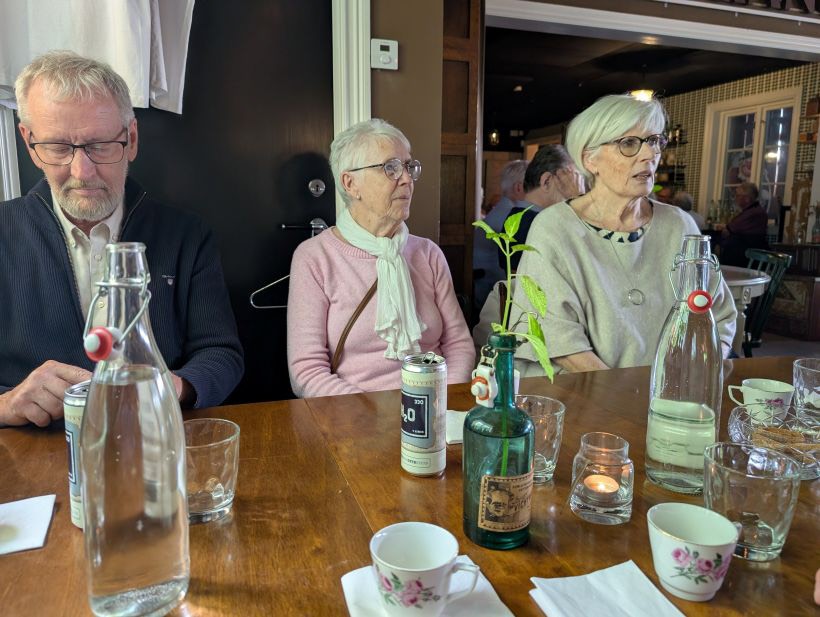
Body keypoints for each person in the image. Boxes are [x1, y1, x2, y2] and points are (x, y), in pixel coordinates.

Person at [0, 51, 244, 427]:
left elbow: (221, 353)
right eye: (59, 148)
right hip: (33, 446)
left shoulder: (187, 236)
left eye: (100, 146)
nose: (82, 172)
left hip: (153, 434)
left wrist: (173, 387)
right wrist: (7, 405)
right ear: (29, 142)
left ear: (130, 139)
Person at [510, 94, 736, 376]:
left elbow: (718, 315)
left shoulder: (679, 225)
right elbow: (557, 336)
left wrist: (696, 375)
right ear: (589, 159)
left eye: (654, 140)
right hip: (586, 390)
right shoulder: (554, 227)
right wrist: (627, 394)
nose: (649, 154)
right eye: (629, 143)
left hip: (674, 392)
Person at [287, 118, 474, 397]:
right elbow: (307, 371)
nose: (407, 179)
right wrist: (371, 415)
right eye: (391, 168)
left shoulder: (428, 254)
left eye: (408, 167)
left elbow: (459, 345)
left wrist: (438, 403)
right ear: (351, 184)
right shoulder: (315, 257)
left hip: (433, 407)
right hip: (354, 413)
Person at [471, 145, 584, 353]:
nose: (579, 186)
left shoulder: (520, 217)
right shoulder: (536, 224)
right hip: (540, 330)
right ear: (547, 181)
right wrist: (578, 199)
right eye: (573, 177)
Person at [473, 159, 528, 312]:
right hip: (492, 297)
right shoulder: (510, 218)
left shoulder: (502, 211)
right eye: (532, 185)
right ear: (519, 188)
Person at [718, 182, 768, 267]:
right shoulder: (754, 210)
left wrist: (726, 230)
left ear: (747, 199)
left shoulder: (754, 213)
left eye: (738, 195)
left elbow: (729, 229)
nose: (735, 198)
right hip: (744, 255)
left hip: (746, 258)